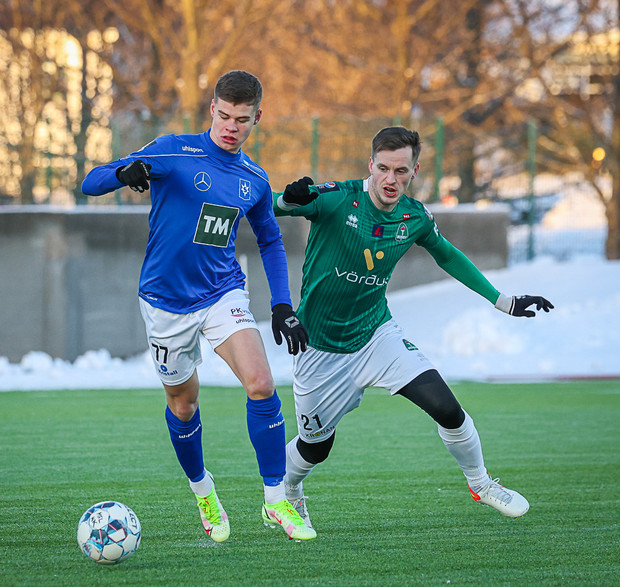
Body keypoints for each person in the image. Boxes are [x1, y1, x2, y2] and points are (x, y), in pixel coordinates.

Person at [272, 126, 554, 532]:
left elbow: (447, 255)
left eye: (401, 171)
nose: (391, 179)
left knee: (447, 408)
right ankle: (289, 490)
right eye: (384, 168)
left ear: (414, 171)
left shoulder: (414, 217)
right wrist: (288, 199)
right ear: (371, 165)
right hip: (320, 349)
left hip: (375, 335)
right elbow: (273, 207)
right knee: (315, 448)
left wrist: (503, 300)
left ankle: (481, 484)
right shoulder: (337, 198)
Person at [81, 70, 315, 542]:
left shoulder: (254, 178)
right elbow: (90, 182)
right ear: (212, 109)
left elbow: (270, 240)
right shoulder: (173, 151)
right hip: (165, 302)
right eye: (224, 116)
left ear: (257, 119)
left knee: (261, 383)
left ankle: (276, 500)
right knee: (183, 405)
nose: (231, 127)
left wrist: (282, 305)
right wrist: (123, 174)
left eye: (242, 120)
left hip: (223, 292)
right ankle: (204, 491)